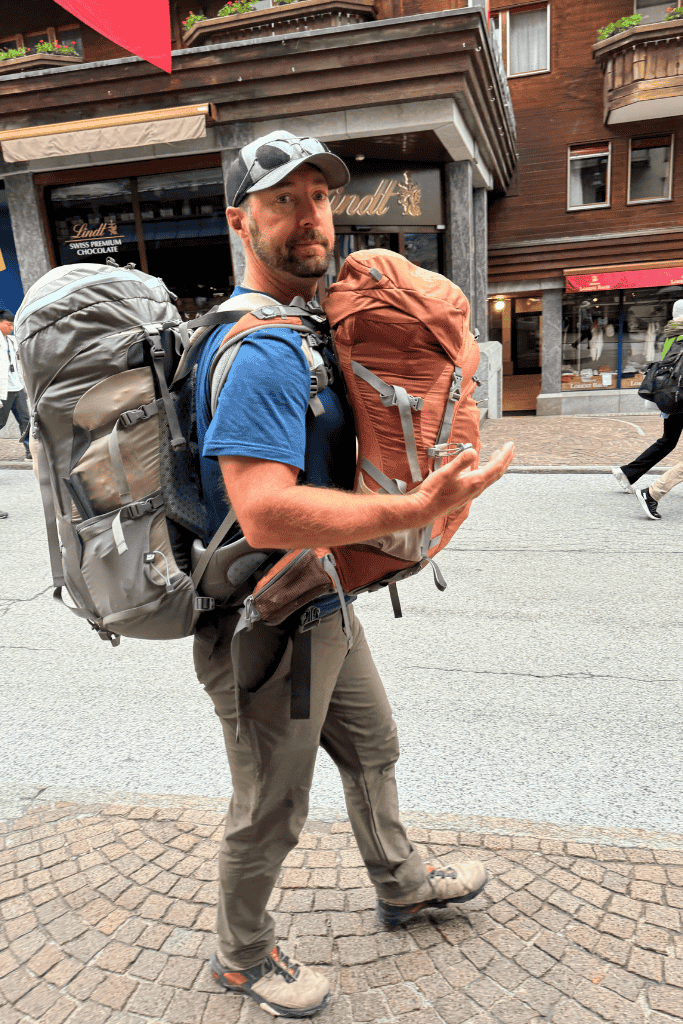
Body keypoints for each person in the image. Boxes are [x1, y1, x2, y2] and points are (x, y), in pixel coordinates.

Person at [192, 131, 515, 1018]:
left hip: (320, 597)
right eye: (282, 201)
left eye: (319, 198)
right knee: (270, 804)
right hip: (266, 621)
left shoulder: (304, 325)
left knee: (371, 748)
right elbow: (263, 509)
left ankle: (401, 882)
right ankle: (241, 956)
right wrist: (408, 512)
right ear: (240, 220)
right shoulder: (258, 347)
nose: (308, 219)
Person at [611, 298, 683, 508]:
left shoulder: (671, 333)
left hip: (671, 395)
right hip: (680, 397)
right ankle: (647, 488)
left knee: (667, 441)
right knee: (667, 442)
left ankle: (627, 472)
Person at [0, 310, 31, 464]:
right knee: (1, 422)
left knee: (26, 420)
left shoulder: (12, 341)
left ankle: (30, 453)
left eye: (13, 325)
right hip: (3, 391)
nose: (11, 328)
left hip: (17, 388)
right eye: (8, 324)